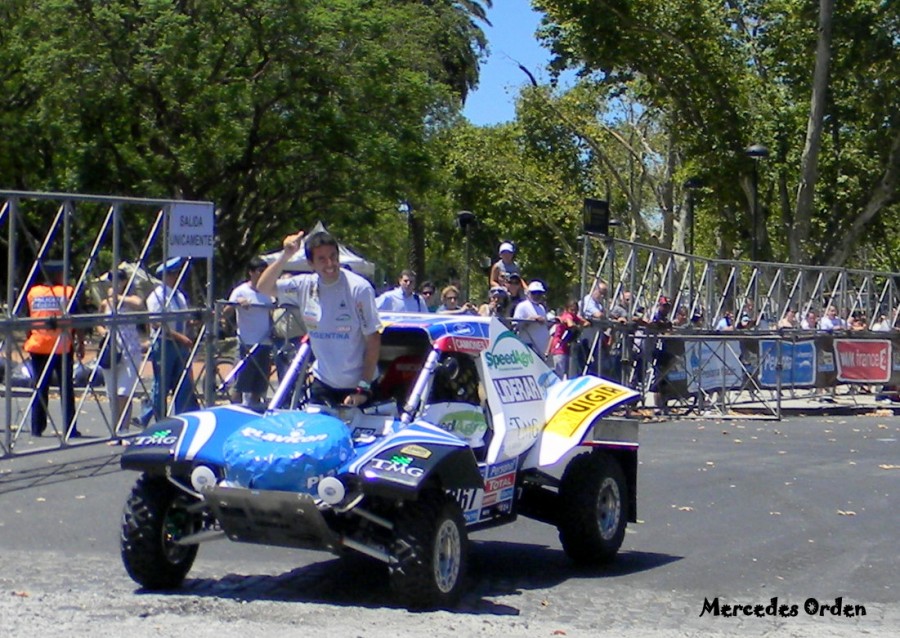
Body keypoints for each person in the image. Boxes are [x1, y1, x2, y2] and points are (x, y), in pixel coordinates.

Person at [257, 230, 381, 408]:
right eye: (322, 259)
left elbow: (373, 339)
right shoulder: (304, 285)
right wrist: (286, 255)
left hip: (359, 387)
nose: (330, 264)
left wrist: (363, 388)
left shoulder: (359, 289)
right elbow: (263, 287)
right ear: (310, 263)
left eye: (333, 256)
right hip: (323, 384)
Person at [24, 259, 84, 437]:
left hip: (38, 344)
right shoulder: (67, 292)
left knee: (40, 387)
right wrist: (80, 343)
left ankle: (37, 427)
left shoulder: (33, 293)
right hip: (62, 346)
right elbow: (77, 320)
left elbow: (28, 319)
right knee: (66, 389)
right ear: (58, 275)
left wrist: (30, 336)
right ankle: (69, 428)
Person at [141, 257, 199, 424]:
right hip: (165, 344)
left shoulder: (179, 295)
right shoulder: (157, 296)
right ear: (166, 276)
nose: (177, 277)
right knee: (162, 384)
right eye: (174, 274)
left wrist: (192, 322)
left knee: (183, 383)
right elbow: (156, 323)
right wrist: (180, 337)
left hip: (181, 344)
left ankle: (183, 417)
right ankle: (154, 417)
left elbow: (184, 316)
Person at [98, 269, 144, 432]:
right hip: (111, 350)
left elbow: (139, 304)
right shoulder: (106, 303)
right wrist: (103, 331)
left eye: (118, 280)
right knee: (112, 394)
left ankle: (123, 429)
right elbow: (99, 322)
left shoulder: (131, 299)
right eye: (112, 280)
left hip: (129, 349)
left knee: (123, 392)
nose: (115, 283)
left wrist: (118, 297)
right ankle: (115, 429)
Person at [224, 258, 274, 405]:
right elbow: (226, 312)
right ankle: (234, 412)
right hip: (246, 343)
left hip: (264, 343)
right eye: (260, 271)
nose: (263, 274)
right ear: (251, 272)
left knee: (258, 387)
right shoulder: (240, 291)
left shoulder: (268, 292)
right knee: (239, 385)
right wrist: (236, 303)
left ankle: (254, 413)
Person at [547, 299, 591, 378]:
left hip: (568, 348)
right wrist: (578, 326)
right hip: (559, 348)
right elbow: (570, 324)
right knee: (559, 374)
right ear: (567, 309)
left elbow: (587, 323)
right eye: (572, 310)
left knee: (571, 373)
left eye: (576, 310)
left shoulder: (574, 316)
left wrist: (580, 324)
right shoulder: (567, 316)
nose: (574, 312)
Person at [513, 280, 551, 359]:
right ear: (528, 293)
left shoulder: (541, 308)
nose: (537, 295)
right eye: (534, 293)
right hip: (528, 345)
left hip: (541, 348)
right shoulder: (522, 306)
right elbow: (515, 326)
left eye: (539, 293)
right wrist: (530, 320)